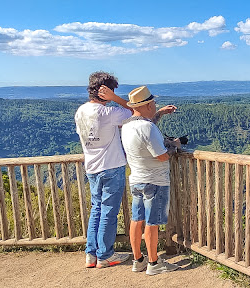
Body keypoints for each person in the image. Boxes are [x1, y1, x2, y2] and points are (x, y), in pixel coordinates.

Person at [75, 71, 132, 268]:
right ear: (105, 91)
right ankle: (106, 255)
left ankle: (91, 254)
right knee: (109, 211)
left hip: (92, 167)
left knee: (97, 209)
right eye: (112, 90)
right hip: (112, 166)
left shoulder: (80, 111)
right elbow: (134, 111)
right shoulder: (108, 113)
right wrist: (115, 99)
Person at [121, 86, 180, 275]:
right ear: (147, 105)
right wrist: (175, 147)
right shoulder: (148, 128)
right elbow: (161, 156)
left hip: (136, 179)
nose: (155, 105)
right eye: (153, 103)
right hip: (154, 181)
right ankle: (154, 263)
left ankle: (138, 259)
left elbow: (144, 125)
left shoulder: (127, 125)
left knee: (136, 220)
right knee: (152, 223)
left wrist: (160, 113)